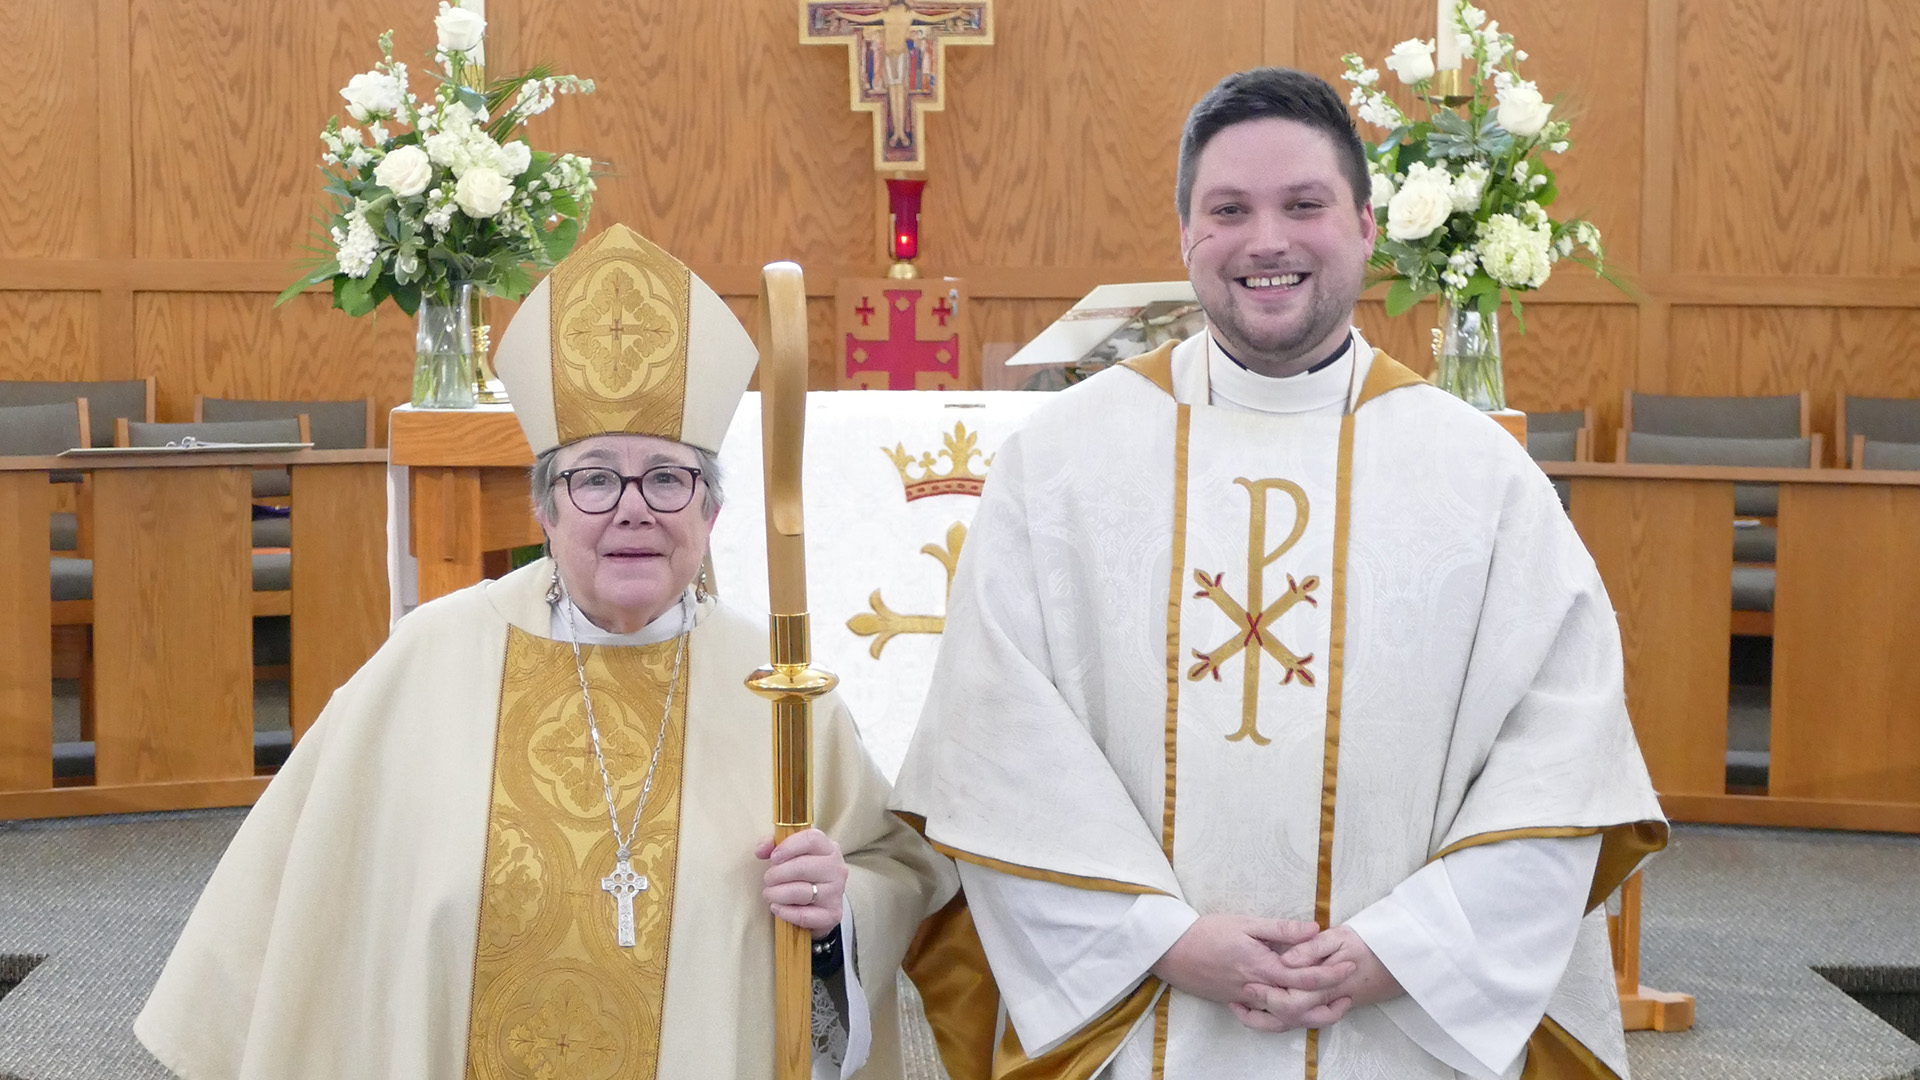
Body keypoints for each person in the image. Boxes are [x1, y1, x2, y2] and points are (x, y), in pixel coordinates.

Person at [892, 68, 1666, 1080]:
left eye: (1304, 205)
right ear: (1183, 237)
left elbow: (1562, 755)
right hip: (1143, 1023)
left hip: (1398, 1032)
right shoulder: (1062, 464)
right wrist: (1159, 939)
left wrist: (1404, 948)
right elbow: (996, 744)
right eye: (1229, 210)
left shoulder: (1482, 479)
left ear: (1366, 225)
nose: (1267, 241)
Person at [136, 224, 956, 1080]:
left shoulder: (778, 686)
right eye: (596, 477)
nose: (632, 510)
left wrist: (839, 910)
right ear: (547, 513)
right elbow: (311, 898)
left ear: (710, 515)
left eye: (668, 478)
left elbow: (895, 866)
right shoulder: (431, 658)